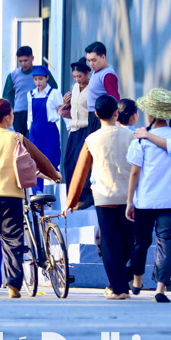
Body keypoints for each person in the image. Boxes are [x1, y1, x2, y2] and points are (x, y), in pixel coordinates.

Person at [0, 99, 61, 298]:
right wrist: (55, 175)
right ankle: (13, 285)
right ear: (9, 116)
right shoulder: (17, 138)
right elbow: (40, 159)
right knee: (12, 240)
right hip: (11, 197)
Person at [63, 95, 134, 299]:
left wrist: (71, 201)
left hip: (104, 197)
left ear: (96, 114)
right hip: (128, 197)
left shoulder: (91, 139)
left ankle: (118, 288)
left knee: (110, 243)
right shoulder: (130, 136)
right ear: (116, 113)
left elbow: (80, 172)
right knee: (127, 241)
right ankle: (119, 285)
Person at [125, 88, 171, 302]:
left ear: (152, 114)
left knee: (141, 242)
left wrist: (129, 201)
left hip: (145, 200)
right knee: (166, 243)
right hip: (169, 200)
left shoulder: (141, 138)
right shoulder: (160, 136)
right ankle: (160, 289)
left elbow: (134, 171)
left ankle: (137, 280)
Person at [58, 58, 92, 209]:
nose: (78, 79)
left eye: (80, 76)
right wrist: (67, 101)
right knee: (68, 161)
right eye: (75, 76)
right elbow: (72, 108)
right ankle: (73, 196)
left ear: (87, 73)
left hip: (87, 129)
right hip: (75, 129)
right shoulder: (74, 87)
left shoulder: (93, 88)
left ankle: (85, 196)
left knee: (82, 160)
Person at [3, 45, 58, 137]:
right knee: (20, 140)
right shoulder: (13, 75)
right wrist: (9, 112)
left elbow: (53, 88)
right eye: (20, 61)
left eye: (25, 60)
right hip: (19, 113)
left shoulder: (41, 72)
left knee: (35, 140)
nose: (23, 64)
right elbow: (7, 96)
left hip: (38, 112)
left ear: (32, 58)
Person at [27, 65, 62, 193]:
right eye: (35, 79)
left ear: (47, 78)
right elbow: (30, 113)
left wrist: (69, 127)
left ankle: (55, 191)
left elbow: (62, 111)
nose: (38, 82)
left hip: (49, 130)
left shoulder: (54, 93)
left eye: (41, 79)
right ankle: (37, 191)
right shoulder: (30, 94)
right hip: (34, 129)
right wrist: (29, 128)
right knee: (35, 160)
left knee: (51, 159)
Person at [85, 41, 120, 132]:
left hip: (101, 118)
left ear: (103, 57)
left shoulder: (107, 74)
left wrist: (117, 122)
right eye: (89, 60)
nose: (91, 64)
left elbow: (115, 99)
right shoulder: (97, 71)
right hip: (93, 116)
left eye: (94, 60)